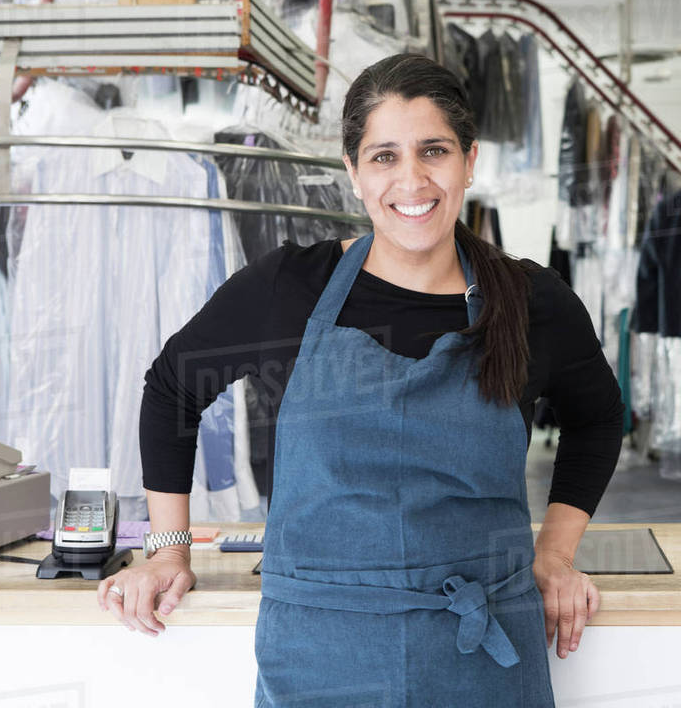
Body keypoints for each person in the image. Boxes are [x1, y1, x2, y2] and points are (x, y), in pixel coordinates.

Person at [96, 53, 625, 706]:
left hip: (481, 657)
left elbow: (598, 417)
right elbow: (172, 386)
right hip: (320, 657)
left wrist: (556, 552)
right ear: (351, 171)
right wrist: (168, 549)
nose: (412, 179)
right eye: (384, 156)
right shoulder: (288, 288)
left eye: (434, 151)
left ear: (469, 161)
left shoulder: (531, 301)